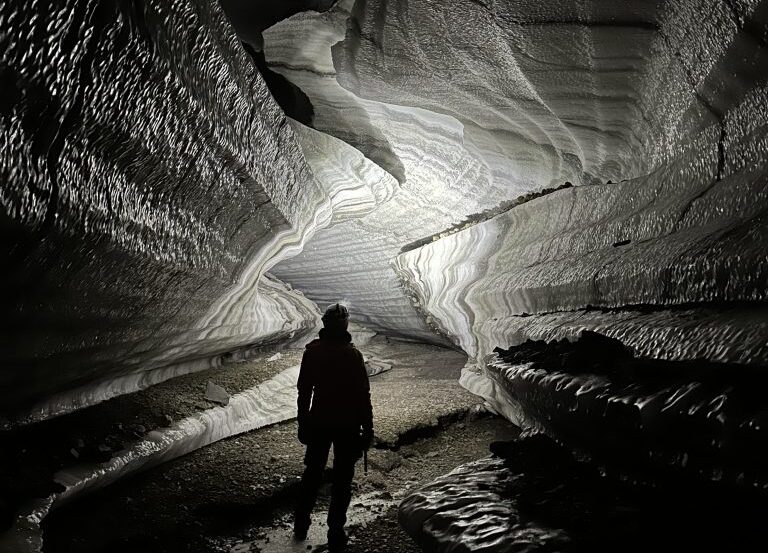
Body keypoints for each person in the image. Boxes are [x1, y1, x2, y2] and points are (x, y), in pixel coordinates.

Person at [293, 303, 374, 552]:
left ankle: (301, 524)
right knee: (342, 479)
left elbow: (304, 391)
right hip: (347, 425)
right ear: (345, 325)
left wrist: (303, 421)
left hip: (319, 421)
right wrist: (368, 428)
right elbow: (363, 395)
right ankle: (335, 531)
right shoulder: (352, 355)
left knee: (312, 474)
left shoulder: (313, 352)